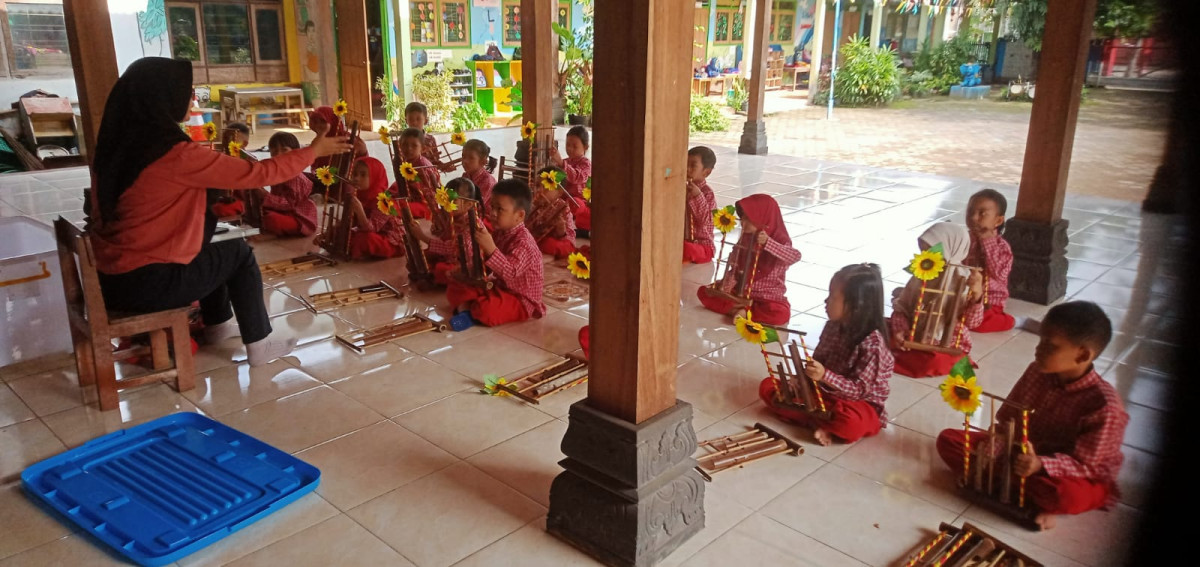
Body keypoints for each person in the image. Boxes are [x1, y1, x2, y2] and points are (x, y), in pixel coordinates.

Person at [89, 58, 351, 366]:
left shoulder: (117, 148)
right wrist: (312, 152)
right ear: (162, 96)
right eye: (186, 93)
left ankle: (217, 326)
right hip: (150, 285)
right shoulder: (173, 154)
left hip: (112, 280)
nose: (192, 101)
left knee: (217, 244)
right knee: (238, 253)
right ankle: (259, 343)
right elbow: (258, 173)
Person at [935, 301, 1129, 531]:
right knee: (950, 440)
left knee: (1064, 495)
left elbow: (1087, 466)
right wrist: (993, 447)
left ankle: (1021, 489)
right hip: (1023, 455)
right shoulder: (1036, 370)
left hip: (1068, 471)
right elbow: (1008, 421)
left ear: (1083, 355)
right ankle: (1017, 487)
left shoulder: (1105, 406)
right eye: (1040, 340)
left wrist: (1040, 465)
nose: (1038, 349)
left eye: (1051, 345)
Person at [758, 264, 894, 446]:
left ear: (855, 305)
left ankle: (818, 419)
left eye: (832, 296)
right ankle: (819, 420)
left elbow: (859, 391)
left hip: (859, 403)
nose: (826, 301)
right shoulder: (833, 325)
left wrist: (825, 375)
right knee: (769, 387)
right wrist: (799, 381)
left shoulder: (873, 344)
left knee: (850, 422)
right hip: (823, 392)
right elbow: (819, 361)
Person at [889, 222, 985, 377]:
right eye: (924, 252)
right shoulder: (921, 275)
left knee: (936, 362)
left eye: (933, 252)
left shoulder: (964, 280)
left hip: (945, 343)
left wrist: (977, 294)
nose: (927, 258)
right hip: (913, 335)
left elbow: (972, 322)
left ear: (952, 250)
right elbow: (903, 308)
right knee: (879, 336)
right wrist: (901, 331)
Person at [446, 179, 545, 326]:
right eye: (492, 207)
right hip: (498, 286)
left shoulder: (525, 243)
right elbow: (488, 265)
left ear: (519, 215)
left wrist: (491, 247)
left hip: (520, 298)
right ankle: (468, 312)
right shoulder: (500, 233)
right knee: (455, 287)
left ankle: (470, 311)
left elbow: (510, 273)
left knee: (487, 309)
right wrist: (466, 270)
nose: (492, 213)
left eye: (500, 209)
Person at [697, 194, 800, 326]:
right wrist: (727, 284)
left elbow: (795, 256)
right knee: (704, 293)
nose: (743, 224)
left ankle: (743, 312)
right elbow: (735, 266)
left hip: (766, 297)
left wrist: (768, 243)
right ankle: (742, 310)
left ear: (763, 218)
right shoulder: (745, 237)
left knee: (780, 314)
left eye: (748, 219)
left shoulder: (780, 239)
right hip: (740, 291)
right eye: (742, 219)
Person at [406, 177, 482, 285]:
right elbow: (442, 235)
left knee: (441, 270)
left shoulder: (472, 223)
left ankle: (432, 278)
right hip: (449, 256)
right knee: (418, 258)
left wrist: (422, 236)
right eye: (446, 199)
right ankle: (429, 276)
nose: (447, 203)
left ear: (468, 205)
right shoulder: (452, 216)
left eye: (453, 200)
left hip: (465, 262)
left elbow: (453, 248)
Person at [965, 189, 1015, 333]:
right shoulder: (964, 239)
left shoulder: (1002, 247)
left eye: (982, 213)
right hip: (963, 295)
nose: (974, 218)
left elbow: (998, 273)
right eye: (970, 212)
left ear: (998, 220)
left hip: (988, 301)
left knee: (981, 323)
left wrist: (987, 240)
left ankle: (1011, 321)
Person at [256, 132, 317, 237]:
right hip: (283, 212)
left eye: (284, 150)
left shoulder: (295, 177)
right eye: (274, 152)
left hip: (298, 218)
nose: (279, 155)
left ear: (296, 152)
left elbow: (289, 205)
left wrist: (265, 196)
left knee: (271, 219)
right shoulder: (278, 173)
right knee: (259, 212)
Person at [345, 157, 406, 260]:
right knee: (343, 233)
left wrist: (359, 211)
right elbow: (351, 222)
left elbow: (371, 228)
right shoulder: (359, 194)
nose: (356, 178)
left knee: (365, 239)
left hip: (390, 240)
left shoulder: (384, 201)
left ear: (375, 177)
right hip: (371, 232)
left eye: (363, 175)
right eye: (354, 174)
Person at [308, 105, 368, 186]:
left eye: (323, 121)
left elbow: (365, 165)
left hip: (349, 184)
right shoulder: (319, 142)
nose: (319, 125)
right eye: (315, 122)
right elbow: (315, 168)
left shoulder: (351, 140)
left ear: (333, 121)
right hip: (324, 182)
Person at [548, 126, 592, 234]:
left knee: (574, 203)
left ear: (585, 147)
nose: (570, 148)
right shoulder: (565, 161)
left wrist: (562, 164)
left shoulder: (586, 164)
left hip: (580, 201)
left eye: (574, 146)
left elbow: (577, 177)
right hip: (564, 200)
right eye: (568, 145)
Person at [391, 127, 441, 220]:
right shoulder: (401, 161)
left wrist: (413, 185)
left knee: (395, 207)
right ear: (399, 146)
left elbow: (431, 194)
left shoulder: (423, 166)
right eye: (404, 145)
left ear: (422, 148)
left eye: (414, 146)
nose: (408, 149)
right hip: (408, 197)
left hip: (425, 205)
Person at [531, 165, 577, 259]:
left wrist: (561, 232)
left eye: (546, 187)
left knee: (560, 246)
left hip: (554, 241)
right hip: (535, 239)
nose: (539, 190)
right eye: (537, 186)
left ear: (559, 192)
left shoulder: (563, 208)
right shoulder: (533, 204)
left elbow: (570, 239)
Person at [209, 122, 252, 218]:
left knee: (218, 209)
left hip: (240, 202)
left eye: (232, 140)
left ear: (244, 144)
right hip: (222, 199)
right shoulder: (222, 158)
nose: (227, 143)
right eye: (225, 139)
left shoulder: (249, 161)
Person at [683, 146, 717, 264]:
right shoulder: (682, 188)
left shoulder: (707, 193)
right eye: (685, 164)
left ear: (706, 172)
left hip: (703, 246)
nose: (687, 169)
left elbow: (705, 221)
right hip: (683, 240)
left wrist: (697, 196)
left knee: (685, 248)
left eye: (693, 165)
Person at [405, 102, 455, 173]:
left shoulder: (430, 140)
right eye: (411, 119)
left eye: (418, 119)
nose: (414, 123)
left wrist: (445, 167)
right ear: (406, 121)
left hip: (431, 178)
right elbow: (401, 163)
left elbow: (435, 162)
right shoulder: (403, 141)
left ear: (426, 121)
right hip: (411, 177)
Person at [461, 139, 497, 206]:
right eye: (463, 156)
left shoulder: (487, 181)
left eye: (471, 158)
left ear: (483, 161)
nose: (465, 161)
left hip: (483, 215)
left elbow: (476, 206)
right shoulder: (466, 176)